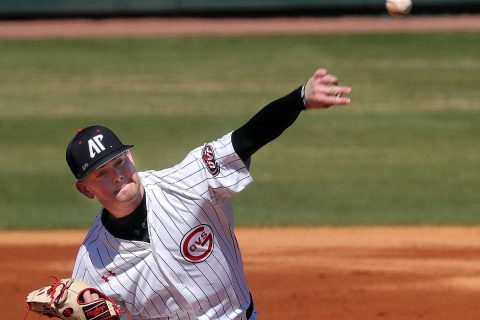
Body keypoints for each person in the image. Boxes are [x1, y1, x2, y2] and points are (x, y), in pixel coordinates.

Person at [67, 68, 351, 320]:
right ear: (85, 189)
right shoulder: (91, 266)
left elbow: (247, 138)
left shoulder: (186, 182)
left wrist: (300, 98)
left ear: (130, 155)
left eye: (119, 162)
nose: (117, 175)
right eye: (100, 174)